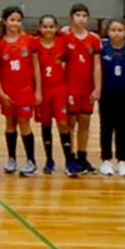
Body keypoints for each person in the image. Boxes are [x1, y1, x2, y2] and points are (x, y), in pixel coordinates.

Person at [0, 6, 41, 177]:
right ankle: (11, 159)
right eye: (12, 20)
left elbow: (36, 66)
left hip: (26, 91)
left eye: (18, 20)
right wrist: (0, 91)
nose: (15, 23)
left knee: (24, 124)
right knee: (10, 124)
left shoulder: (29, 40)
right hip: (8, 92)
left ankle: (31, 161)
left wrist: (38, 91)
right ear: (5, 21)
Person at [62, 3, 102, 175]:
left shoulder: (94, 39)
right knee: (70, 123)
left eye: (84, 15)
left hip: (87, 88)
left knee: (84, 122)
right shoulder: (64, 36)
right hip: (70, 87)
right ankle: (69, 158)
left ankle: (82, 156)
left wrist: (97, 87)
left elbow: (97, 65)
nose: (81, 19)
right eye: (78, 15)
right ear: (71, 17)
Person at [34, 14, 74, 176]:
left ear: (56, 28)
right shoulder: (35, 43)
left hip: (59, 88)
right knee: (45, 124)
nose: (48, 30)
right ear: (39, 28)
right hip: (43, 89)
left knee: (63, 123)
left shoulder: (62, 42)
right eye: (45, 26)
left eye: (51, 26)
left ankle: (69, 160)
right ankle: (49, 159)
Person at [98, 18, 125, 177]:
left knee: (122, 127)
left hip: (124, 93)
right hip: (106, 93)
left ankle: (122, 160)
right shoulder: (102, 48)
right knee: (106, 126)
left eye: (120, 30)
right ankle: (106, 159)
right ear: (107, 32)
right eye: (113, 30)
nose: (116, 33)